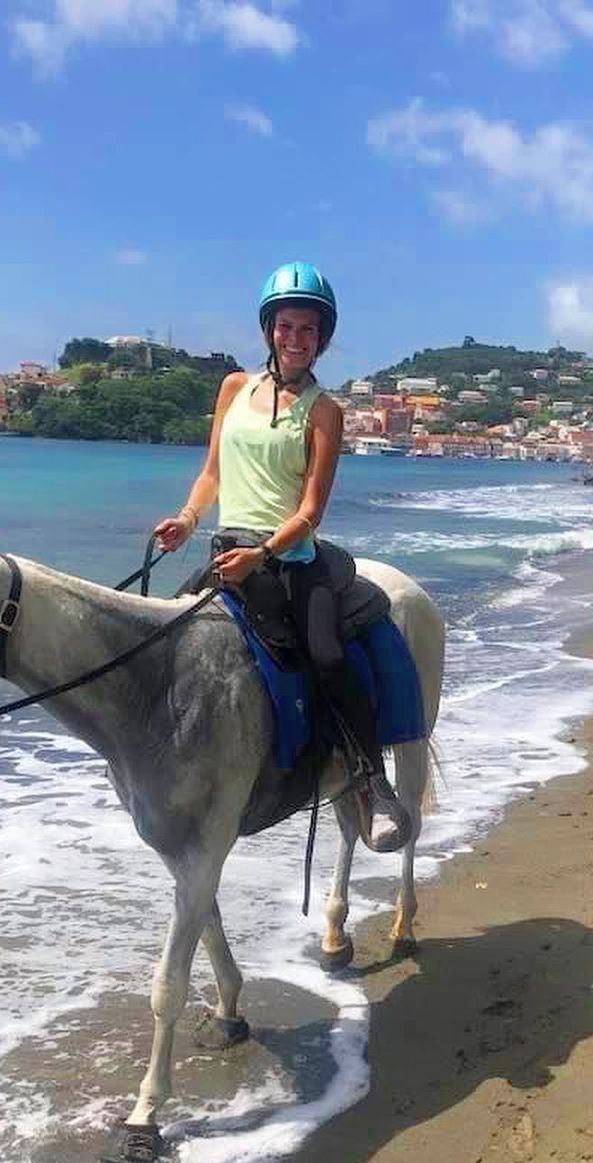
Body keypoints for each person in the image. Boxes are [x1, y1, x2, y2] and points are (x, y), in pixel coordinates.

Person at [153, 261, 410, 851]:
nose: (296, 339)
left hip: (290, 559)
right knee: (166, 643)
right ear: (269, 329)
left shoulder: (324, 411)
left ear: (323, 339)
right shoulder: (233, 389)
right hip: (227, 551)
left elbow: (311, 511)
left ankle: (372, 781)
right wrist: (187, 519)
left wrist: (262, 554)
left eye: (309, 330)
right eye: (287, 326)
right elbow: (212, 473)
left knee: (328, 655)